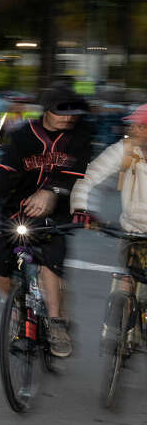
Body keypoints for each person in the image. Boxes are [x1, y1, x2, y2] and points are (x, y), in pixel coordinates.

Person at [0, 83, 92, 358]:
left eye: (73, 112)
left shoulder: (81, 134)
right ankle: (16, 305)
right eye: (61, 111)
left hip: (55, 213)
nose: (68, 117)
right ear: (46, 110)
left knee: (49, 261)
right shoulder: (23, 136)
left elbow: (75, 174)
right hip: (16, 210)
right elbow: (3, 174)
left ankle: (56, 323)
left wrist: (51, 192)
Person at [71, 104, 147, 312]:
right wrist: (84, 209)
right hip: (133, 230)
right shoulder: (125, 150)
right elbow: (91, 179)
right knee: (127, 280)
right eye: (134, 125)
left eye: (140, 126)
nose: (133, 130)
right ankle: (119, 333)